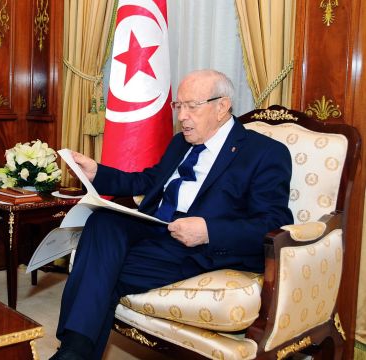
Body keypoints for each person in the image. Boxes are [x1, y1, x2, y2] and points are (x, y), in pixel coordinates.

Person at [50, 69, 293, 360]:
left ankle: (72, 353)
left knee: (100, 269)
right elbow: (149, 182)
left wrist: (208, 231)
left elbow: (272, 223)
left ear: (222, 106)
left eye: (192, 106)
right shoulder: (180, 143)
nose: (182, 117)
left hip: (197, 246)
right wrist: (98, 173)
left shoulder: (265, 152)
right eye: (179, 106)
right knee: (103, 220)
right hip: (155, 226)